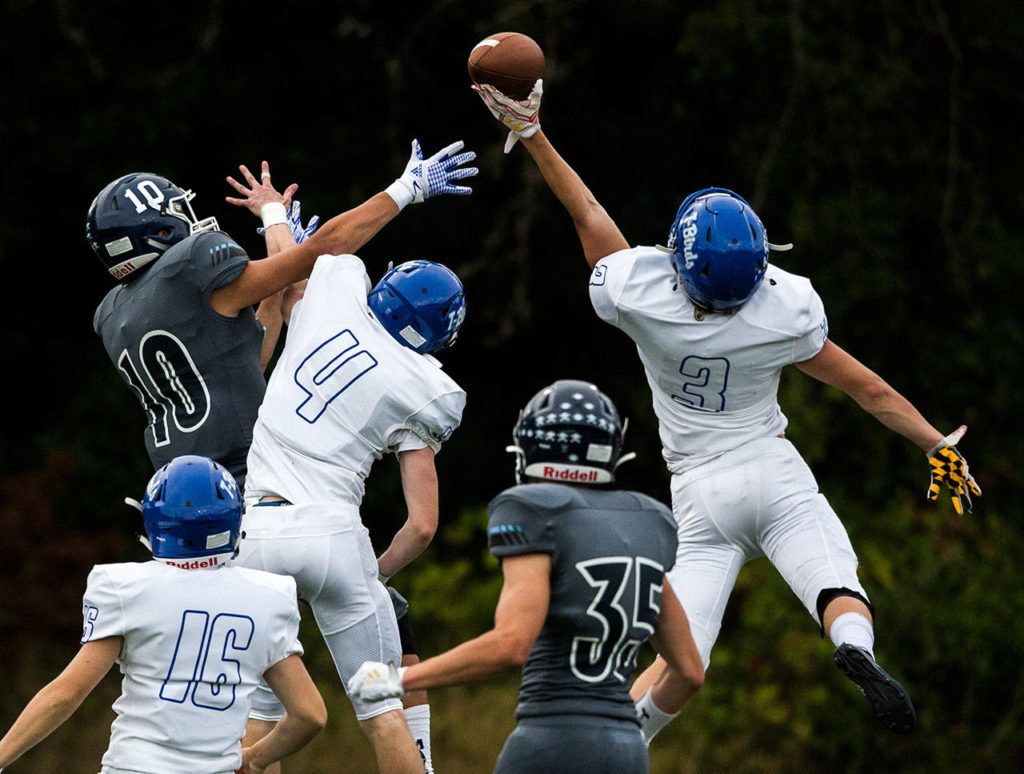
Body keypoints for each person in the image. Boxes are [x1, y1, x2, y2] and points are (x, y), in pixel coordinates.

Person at [470, 80, 982, 738]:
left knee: (685, 661)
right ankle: (856, 646)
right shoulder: (784, 309)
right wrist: (936, 443)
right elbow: (869, 390)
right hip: (772, 470)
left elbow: (591, 217)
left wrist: (535, 133)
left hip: (699, 497)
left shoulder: (645, 295)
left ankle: (612, 747)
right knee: (832, 577)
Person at [348, 380, 705, 773]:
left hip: (551, 742)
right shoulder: (647, 520)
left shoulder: (534, 509)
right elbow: (688, 671)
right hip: (625, 753)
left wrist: (397, 681)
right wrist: (624, 729)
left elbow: (511, 644)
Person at [89, 139, 477, 489]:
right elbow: (326, 248)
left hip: (176, 487)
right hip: (245, 480)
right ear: (155, 230)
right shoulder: (189, 264)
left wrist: (280, 268)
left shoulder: (112, 312)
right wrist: (405, 189)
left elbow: (244, 364)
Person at [235, 251, 469, 773]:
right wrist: (375, 574)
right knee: (383, 709)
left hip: (256, 533)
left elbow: (293, 288)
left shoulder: (332, 297)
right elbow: (423, 526)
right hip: (335, 537)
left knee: (259, 713)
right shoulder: (427, 388)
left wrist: (279, 225)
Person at [0, 455, 325, 774]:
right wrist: (257, 757)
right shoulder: (267, 598)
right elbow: (309, 715)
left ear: (155, 523)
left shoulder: (124, 588)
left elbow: (65, 694)